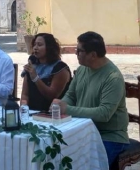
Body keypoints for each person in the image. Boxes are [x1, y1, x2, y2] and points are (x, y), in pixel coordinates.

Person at [53, 31, 129, 164]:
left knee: (83, 164)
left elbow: (104, 113)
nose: (76, 54)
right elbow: (71, 95)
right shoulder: (82, 69)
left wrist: (67, 109)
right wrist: (60, 106)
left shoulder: (113, 77)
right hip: (83, 130)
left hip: (109, 136)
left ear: (93, 55)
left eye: (79, 51)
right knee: (56, 154)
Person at [20, 33, 72, 111]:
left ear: (49, 47)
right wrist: (23, 109)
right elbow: (25, 94)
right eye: (34, 45)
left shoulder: (60, 68)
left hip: (52, 113)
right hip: (31, 112)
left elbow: (52, 95)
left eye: (40, 45)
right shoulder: (33, 64)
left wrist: (36, 78)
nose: (35, 48)